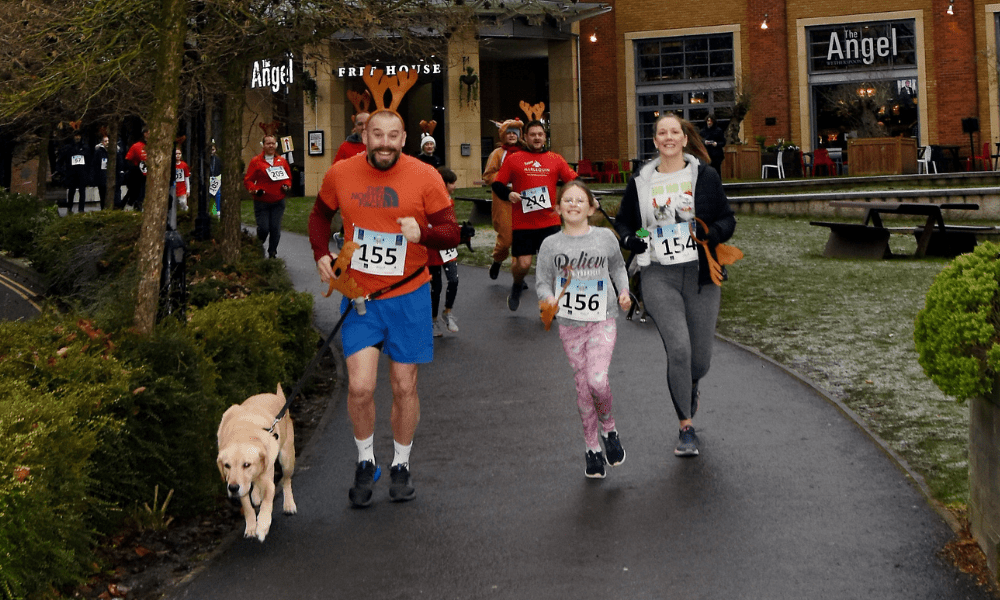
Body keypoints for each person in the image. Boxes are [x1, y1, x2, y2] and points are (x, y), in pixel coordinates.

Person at [307, 109, 460, 507]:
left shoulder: (425, 176)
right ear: (364, 135)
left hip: (409, 295)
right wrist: (320, 253)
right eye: (378, 134)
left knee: (404, 386)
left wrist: (423, 233)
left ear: (404, 138)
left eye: (393, 135)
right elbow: (320, 214)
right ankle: (365, 461)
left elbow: (451, 231)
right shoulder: (341, 173)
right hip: (360, 297)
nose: (386, 143)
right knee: (359, 388)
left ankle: (402, 464)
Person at [613, 112, 736, 458]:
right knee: (678, 350)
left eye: (674, 132)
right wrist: (631, 239)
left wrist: (712, 233)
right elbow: (626, 223)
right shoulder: (641, 180)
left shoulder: (706, 177)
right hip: (658, 274)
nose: (668, 137)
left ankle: (691, 382)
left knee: (700, 361)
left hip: (700, 275)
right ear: (655, 141)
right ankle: (686, 426)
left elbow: (727, 219)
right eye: (661, 133)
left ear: (684, 139)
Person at [536, 180, 631, 478]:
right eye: (568, 200)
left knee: (597, 380)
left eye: (580, 200)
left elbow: (617, 266)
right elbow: (541, 280)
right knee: (583, 386)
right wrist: (548, 298)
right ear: (558, 208)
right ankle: (591, 448)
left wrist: (623, 291)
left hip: (602, 319)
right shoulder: (551, 245)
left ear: (591, 208)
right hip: (570, 325)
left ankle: (609, 429)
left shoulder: (604, 238)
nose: (573, 205)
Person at [491, 120, 577, 311]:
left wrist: (565, 201)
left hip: (549, 221)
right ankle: (516, 285)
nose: (537, 137)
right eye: (533, 134)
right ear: (526, 137)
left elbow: (573, 181)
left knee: (552, 266)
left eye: (540, 134)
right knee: (523, 264)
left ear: (545, 137)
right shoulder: (514, 159)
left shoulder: (556, 159)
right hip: (523, 222)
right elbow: (497, 185)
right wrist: (509, 194)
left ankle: (548, 303)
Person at [482, 118, 524, 280]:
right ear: (503, 136)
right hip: (503, 200)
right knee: (506, 239)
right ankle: (498, 260)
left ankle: (518, 275)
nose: (512, 136)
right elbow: (488, 176)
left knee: (521, 241)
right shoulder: (497, 154)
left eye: (515, 133)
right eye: (509, 133)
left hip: (523, 201)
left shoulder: (525, 152)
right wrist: (505, 178)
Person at [244, 134, 292, 259]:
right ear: (263, 145)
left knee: (275, 229)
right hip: (262, 202)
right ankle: (257, 247)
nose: (271, 146)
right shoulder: (256, 161)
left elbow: (288, 178)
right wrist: (255, 190)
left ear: (276, 145)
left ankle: (272, 253)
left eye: (273, 143)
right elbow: (248, 180)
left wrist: (286, 186)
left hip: (278, 201)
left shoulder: (282, 161)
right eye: (268, 143)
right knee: (264, 228)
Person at [428, 167, 461, 337]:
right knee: (436, 287)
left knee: (453, 280)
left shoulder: (449, 200)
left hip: (447, 248)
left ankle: (447, 312)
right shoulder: (429, 199)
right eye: (452, 183)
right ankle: (432, 320)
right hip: (433, 249)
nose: (454, 186)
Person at [58, 130, 89, 214]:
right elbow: (61, 159)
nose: (77, 137)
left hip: (82, 173)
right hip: (71, 173)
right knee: (71, 191)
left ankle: (81, 209)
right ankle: (70, 208)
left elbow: (88, 160)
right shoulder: (68, 148)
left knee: (82, 192)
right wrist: (62, 171)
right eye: (76, 135)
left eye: (79, 135)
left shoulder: (85, 147)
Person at [123, 128, 148, 211]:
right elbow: (128, 160)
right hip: (137, 175)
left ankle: (139, 206)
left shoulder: (155, 146)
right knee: (134, 192)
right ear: (145, 134)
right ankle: (129, 205)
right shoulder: (136, 146)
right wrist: (135, 168)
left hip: (149, 176)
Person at [92, 135, 109, 210]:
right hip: (101, 177)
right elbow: (95, 165)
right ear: (102, 142)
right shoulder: (99, 152)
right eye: (105, 141)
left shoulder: (113, 152)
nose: (107, 143)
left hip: (109, 176)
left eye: (108, 141)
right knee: (103, 195)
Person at [208, 143, 222, 215]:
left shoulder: (217, 159)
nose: (212, 151)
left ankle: (218, 210)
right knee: (209, 195)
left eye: (213, 149)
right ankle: (209, 210)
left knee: (218, 194)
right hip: (209, 178)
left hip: (216, 178)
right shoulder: (207, 159)